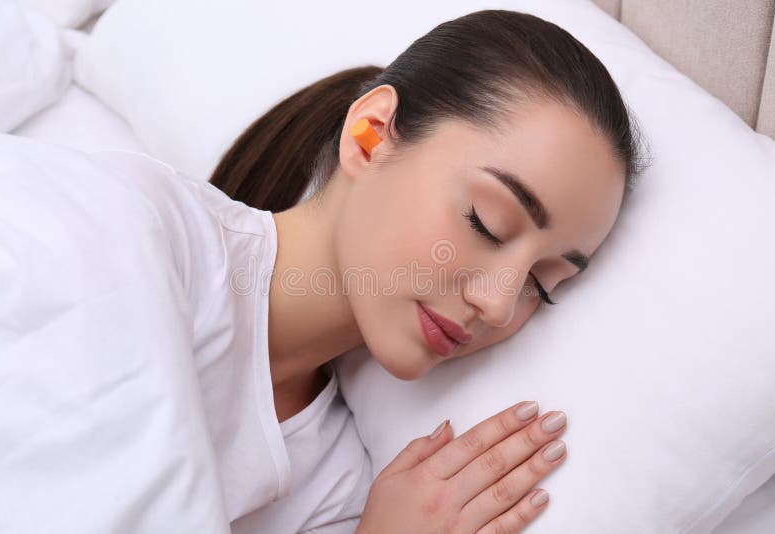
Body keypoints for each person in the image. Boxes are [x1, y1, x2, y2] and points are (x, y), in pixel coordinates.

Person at [210, 8, 648, 533]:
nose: (499, 303)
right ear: (370, 136)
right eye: (486, 223)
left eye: (541, 284)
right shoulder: (133, 230)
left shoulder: (342, 492)